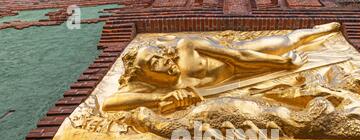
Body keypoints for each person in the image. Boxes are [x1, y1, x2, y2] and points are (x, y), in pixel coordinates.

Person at [102, 22, 341, 114]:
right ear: (146, 75)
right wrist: (161, 99)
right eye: (154, 63)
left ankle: (326, 30)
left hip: (250, 56)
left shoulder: (186, 46)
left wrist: (284, 63)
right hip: (247, 82)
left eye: (159, 56)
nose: (163, 61)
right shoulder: (158, 87)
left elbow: (238, 56)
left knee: (289, 41)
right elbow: (109, 104)